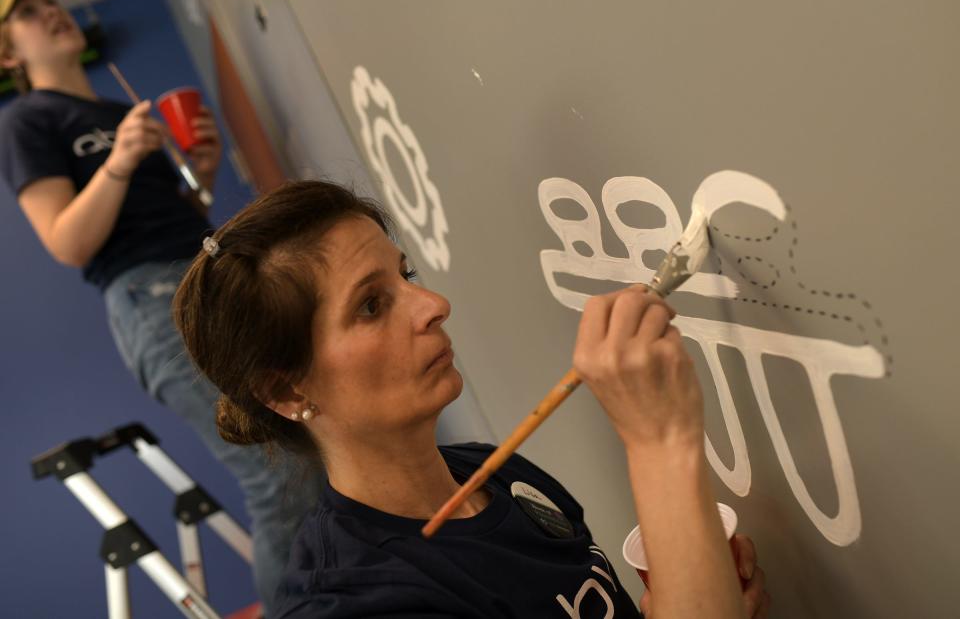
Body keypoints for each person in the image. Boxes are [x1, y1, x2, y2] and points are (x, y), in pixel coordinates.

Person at [172, 180, 771, 618]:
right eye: (371, 305)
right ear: (285, 389)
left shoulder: (495, 471)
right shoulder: (355, 606)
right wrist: (659, 439)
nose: (432, 304)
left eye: (404, 274)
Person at [0, 0, 320, 612]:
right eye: (26, 11)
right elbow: (67, 240)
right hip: (152, 304)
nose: (50, 11)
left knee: (307, 444)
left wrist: (197, 174)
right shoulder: (27, 121)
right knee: (279, 475)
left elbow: (173, 218)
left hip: (203, 276)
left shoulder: (117, 108)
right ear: (7, 51)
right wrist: (118, 159)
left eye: (48, 1)